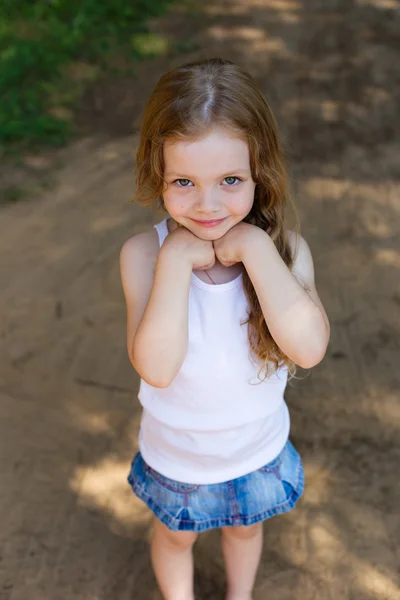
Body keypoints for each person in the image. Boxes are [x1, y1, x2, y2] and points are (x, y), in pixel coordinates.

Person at [120, 57, 330, 600]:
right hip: (177, 456)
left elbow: (307, 348)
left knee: (246, 529)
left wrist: (257, 249)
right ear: (156, 174)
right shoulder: (144, 254)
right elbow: (158, 369)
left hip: (256, 451)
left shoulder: (285, 252)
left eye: (230, 180)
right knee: (174, 540)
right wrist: (175, 261)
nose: (208, 205)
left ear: (261, 172)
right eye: (184, 182)